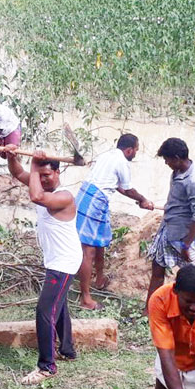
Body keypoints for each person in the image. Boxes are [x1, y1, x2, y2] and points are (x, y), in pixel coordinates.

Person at [4, 143, 82, 385]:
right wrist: (11, 156)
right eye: (41, 176)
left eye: (47, 175)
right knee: (59, 307)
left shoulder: (64, 196)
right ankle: (67, 350)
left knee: (44, 311)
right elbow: (18, 174)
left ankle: (47, 367)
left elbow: (36, 195)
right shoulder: (41, 183)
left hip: (64, 261)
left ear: (58, 173)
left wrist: (36, 165)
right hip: (58, 258)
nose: (44, 179)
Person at [75, 133, 153, 310]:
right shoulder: (122, 163)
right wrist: (143, 200)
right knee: (88, 251)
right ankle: (85, 298)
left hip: (90, 196)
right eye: (136, 151)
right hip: (94, 200)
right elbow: (128, 188)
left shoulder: (107, 155)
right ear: (128, 150)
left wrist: (139, 200)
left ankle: (100, 279)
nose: (136, 154)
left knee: (99, 243)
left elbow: (117, 185)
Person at [146, 138, 195, 306]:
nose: (166, 163)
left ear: (178, 158)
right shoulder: (177, 172)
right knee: (157, 269)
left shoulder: (194, 181)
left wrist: (186, 245)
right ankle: (149, 309)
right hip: (167, 229)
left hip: (183, 237)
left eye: (167, 159)